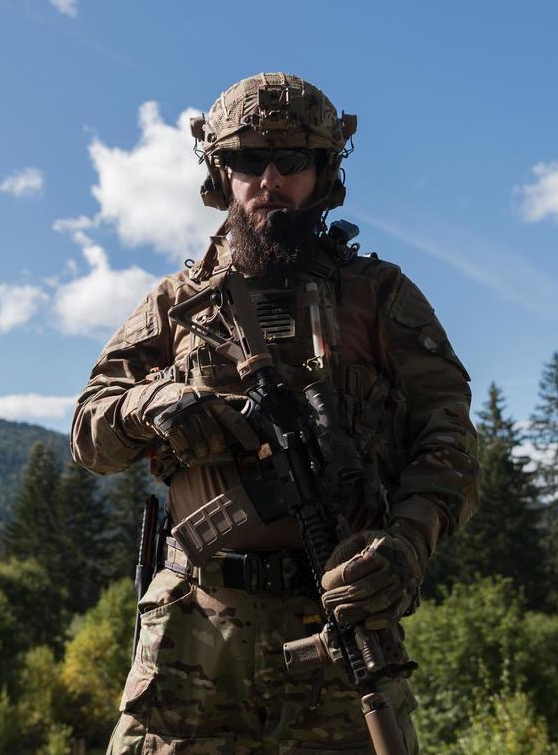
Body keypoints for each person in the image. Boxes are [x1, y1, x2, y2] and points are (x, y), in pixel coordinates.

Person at [72, 72, 478, 754]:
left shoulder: (378, 297)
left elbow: (450, 443)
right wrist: (157, 402)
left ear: (323, 173)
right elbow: (91, 432)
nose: (269, 180)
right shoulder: (177, 303)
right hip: (193, 634)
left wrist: (405, 547)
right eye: (246, 161)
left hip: (339, 618)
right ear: (219, 173)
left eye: (291, 161)